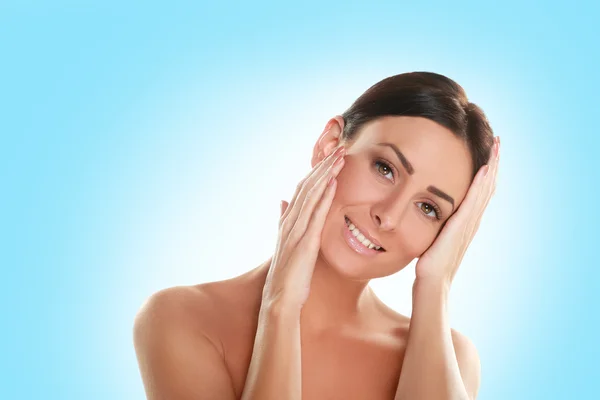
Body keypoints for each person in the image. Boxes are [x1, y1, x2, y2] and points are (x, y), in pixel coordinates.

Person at [133, 71, 499, 400]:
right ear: (330, 144)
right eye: (385, 169)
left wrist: (436, 284)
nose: (388, 216)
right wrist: (281, 308)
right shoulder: (185, 320)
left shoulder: (449, 358)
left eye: (429, 208)